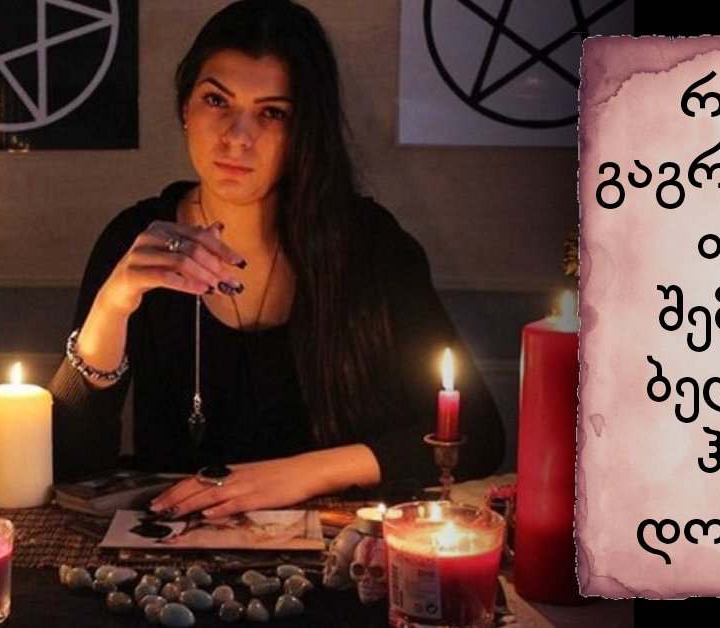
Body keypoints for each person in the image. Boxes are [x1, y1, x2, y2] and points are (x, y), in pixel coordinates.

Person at [49, 0, 504, 519]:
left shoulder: (370, 246)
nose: (237, 136)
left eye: (272, 112)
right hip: (171, 552)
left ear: (304, 129)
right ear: (185, 109)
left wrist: (302, 474)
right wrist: (112, 304)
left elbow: (478, 434)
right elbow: (69, 464)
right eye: (216, 100)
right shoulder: (137, 240)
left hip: (337, 546)